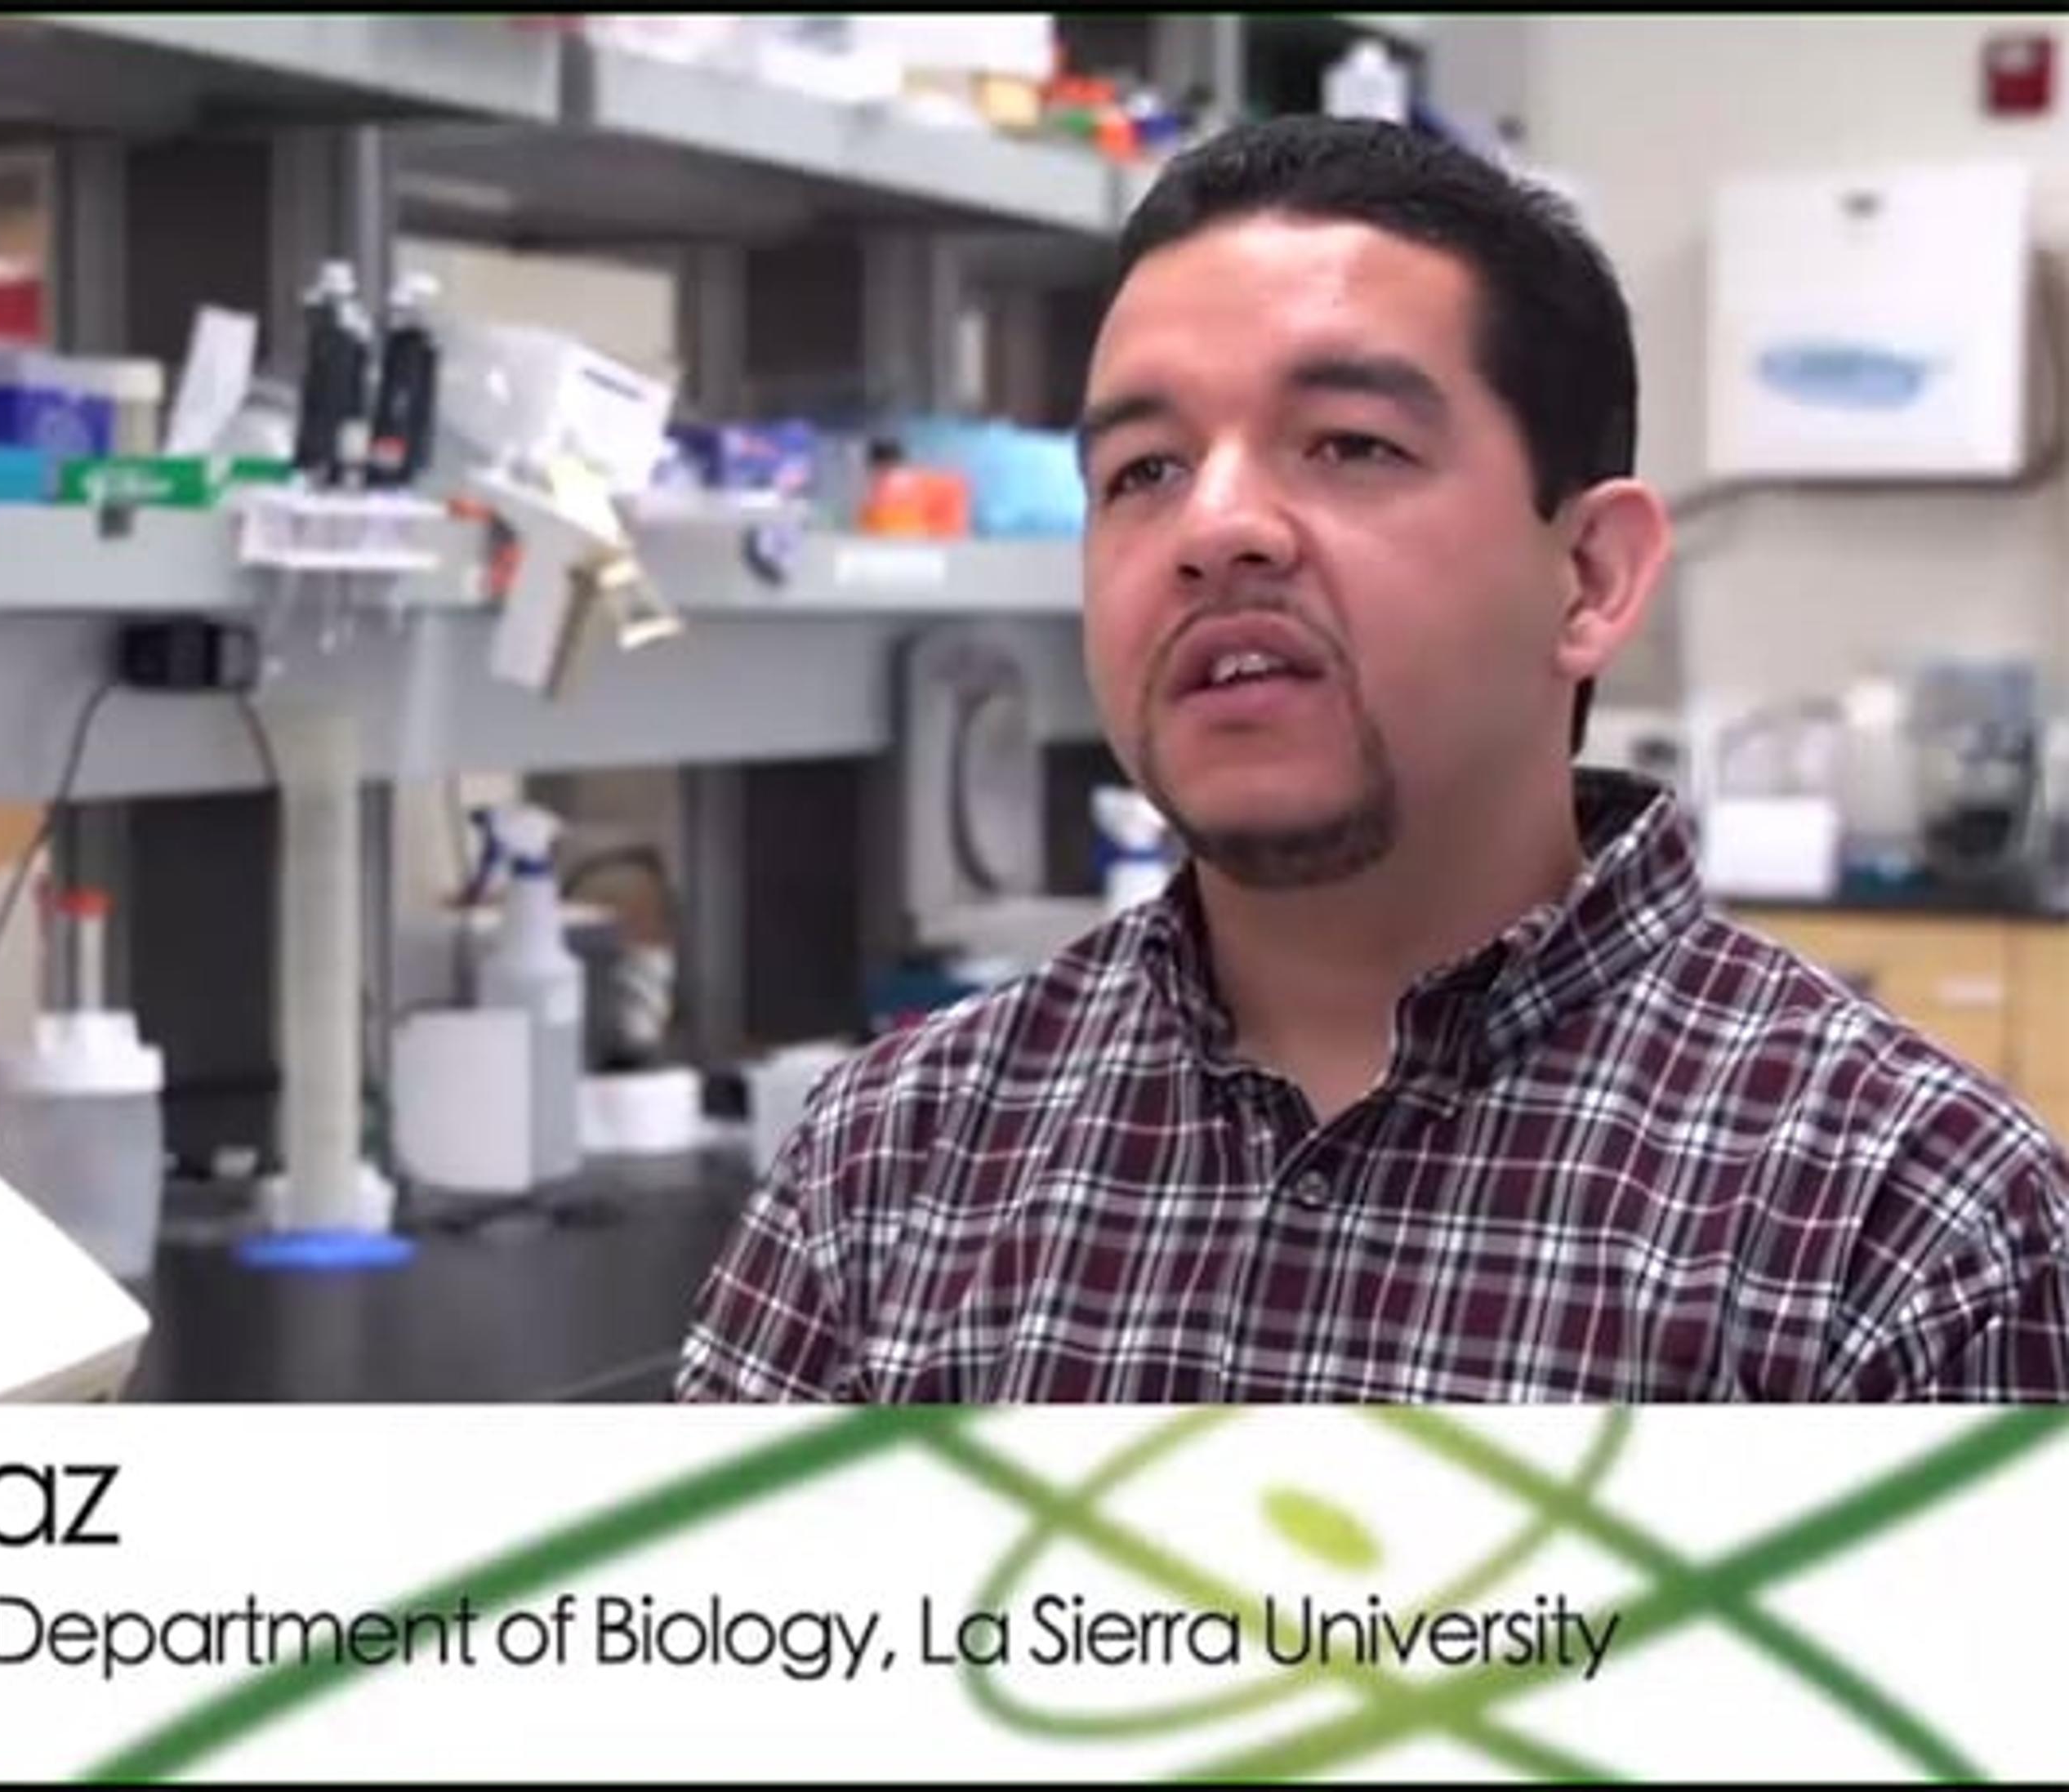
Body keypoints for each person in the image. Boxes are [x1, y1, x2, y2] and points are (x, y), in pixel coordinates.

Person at [676, 115, 2069, 1402]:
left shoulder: (1909, 1230)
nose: (1216, 527)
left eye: (1349, 443)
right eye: (1145, 470)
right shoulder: (892, 1160)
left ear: (1589, 576)